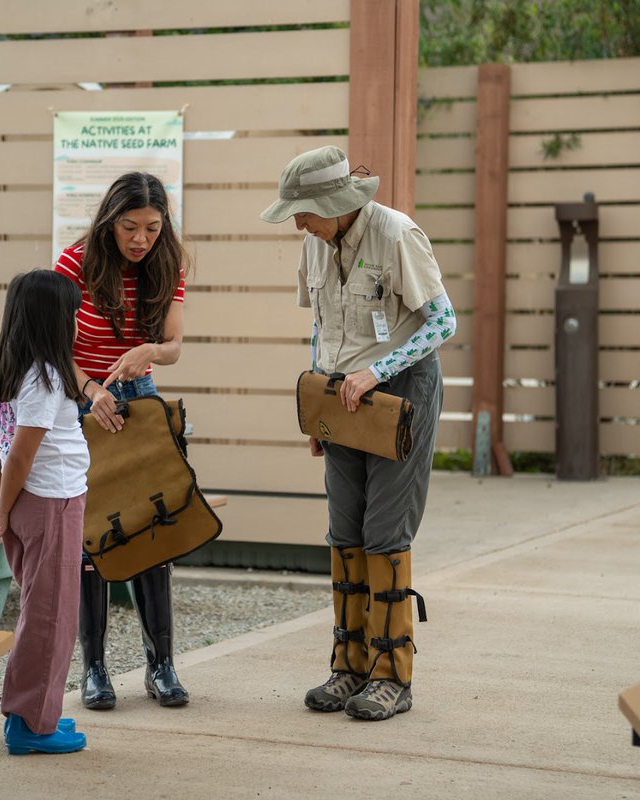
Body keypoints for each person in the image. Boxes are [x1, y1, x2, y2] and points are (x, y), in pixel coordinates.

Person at [260, 145, 456, 721]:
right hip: (342, 397)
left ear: (334, 204)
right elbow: (320, 328)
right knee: (343, 527)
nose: (297, 223)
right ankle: (348, 667)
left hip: (400, 395)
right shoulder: (314, 244)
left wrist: (379, 371)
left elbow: (444, 321)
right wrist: (320, 408)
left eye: (303, 212)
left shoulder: (397, 235)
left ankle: (392, 675)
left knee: (384, 530)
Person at [53, 171, 191, 710]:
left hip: (138, 392)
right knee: (94, 536)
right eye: (130, 227)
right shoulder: (74, 263)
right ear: (109, 221)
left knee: (152, 529)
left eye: (153, 228)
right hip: (82, 397)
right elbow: (55, 350)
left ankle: (162, 667)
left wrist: (148, 353)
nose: (141, 239)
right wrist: (90, 390)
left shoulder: (169, 261)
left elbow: (175, 345)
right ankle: (94, 670)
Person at [0, 268, 91, 755]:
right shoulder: (45, 376)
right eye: (71, 312)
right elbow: (20, 452)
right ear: (52, 318)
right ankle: (30, 725)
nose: (76, 320)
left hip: (26, 503)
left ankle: (39, 714)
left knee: (38, 609)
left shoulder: (2, 366)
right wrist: (2, 502)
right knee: (51, 616)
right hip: (52, 503)